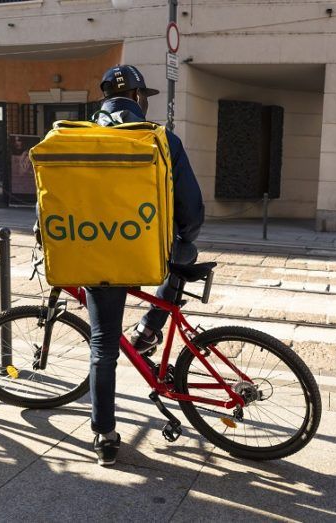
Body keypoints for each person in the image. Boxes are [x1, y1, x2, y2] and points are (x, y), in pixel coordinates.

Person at [85, 65, 204, 466]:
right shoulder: (162, 139)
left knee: (103, 346)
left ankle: (104, 436)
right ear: (138, 98)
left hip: (94, 256)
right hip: (150, 255)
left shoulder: (76, 139)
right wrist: (183, 239)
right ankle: (151, 327)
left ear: (103, 99)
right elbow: (191, 207)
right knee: (184, 253)